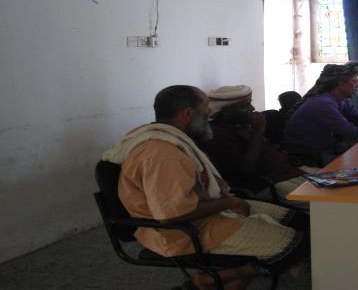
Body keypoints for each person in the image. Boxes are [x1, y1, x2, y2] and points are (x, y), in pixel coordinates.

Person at [103, 85, 308, 290]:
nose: (210, 111)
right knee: (298, 246)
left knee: (301, 221)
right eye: (206, 106)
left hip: (207, 213)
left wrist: (228, 200)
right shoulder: (162, 154)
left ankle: (220, 280)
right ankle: (208, 280)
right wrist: (229, 202)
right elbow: (171, 214)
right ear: (188, 113)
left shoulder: (171, 138)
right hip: (183, 232)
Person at [196, 85, 316, 208]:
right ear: (226, 110)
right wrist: (258, 132)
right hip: (270, 182)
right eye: (246, 105)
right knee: (323, 201)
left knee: (329, 184)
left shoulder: (239, 125)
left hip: (289, 171)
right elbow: (246, 170)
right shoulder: (217, 135)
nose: (252, 108)